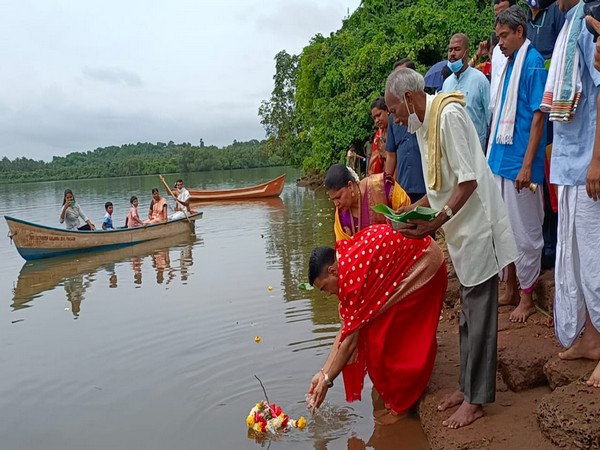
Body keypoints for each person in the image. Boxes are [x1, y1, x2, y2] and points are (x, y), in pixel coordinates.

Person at [384, 68, 517, 428]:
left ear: (410, 99)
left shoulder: (449, 116)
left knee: (481, 316)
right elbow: (441, 186)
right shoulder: (426, 124)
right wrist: (413, 209)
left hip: (477, 227)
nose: (396, 120)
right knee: (466, 315)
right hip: (461, 231)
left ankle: (476, 400)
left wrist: (434, 222)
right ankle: (465, 385)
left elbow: (468, 180)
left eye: (395, 111)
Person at [306, 224, 448, 420]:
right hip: (414, 258)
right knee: (375, 334)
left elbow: (350, 342)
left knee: (382, 341)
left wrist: (328, 380)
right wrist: (322, 373)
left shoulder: (352, 281)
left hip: (424, 264)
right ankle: (396, 398)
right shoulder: (345, 260)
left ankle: (402, 406)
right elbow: (346, 330)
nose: (328, 294)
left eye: (324, 288)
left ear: (332, 270)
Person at [542, 0, 600, 388]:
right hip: (568, 165)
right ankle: (591, 339)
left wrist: (597, 160)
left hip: (587, 165)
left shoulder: (589, 24)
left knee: (595, 262)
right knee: (574, 261)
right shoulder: (567, 23)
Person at [488, 6, 548, 322]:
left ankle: (526, 297)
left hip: (520, 166)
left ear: (520, 32)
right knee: (503, 229)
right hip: (501, 160)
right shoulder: (511, 63)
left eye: (504, 36)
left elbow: (539, 116)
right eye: (498, 37)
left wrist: (526, 166)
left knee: (524, 233)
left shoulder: (533, 63)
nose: (499, 43)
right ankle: (510, 289)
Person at [325, 164, 410, 241]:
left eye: (339, 197)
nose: (336, 204)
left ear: (350, 186)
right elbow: (342, 249)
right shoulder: (340, 216)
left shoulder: (381, 186)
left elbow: (408, 215)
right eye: (333, 200)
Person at [384, 58, 427, 204]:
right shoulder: (393, 117)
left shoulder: (429, 113)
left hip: (427, 184)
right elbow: (391, 155)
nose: (397, 119)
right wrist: (385, 186)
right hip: (403, 186)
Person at [442, 33, 491, 153]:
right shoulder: (446, 84)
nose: (452, 53)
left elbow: (491, 120)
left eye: (457, 49)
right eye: (450, 50)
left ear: (467, 52)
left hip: (476, 152)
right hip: (452, 152)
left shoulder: (480, 80)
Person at [490, 0, 518, 111]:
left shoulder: (521, 49)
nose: (499, 20)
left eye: (503, 14)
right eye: (497, 16)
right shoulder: (497, 50)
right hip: (496, 112)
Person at [368, 97, 388, 175]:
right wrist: (380, 156)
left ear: (387, 110)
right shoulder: (378, 135)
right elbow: (373, 166)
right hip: (381, 177)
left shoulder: (398, 129)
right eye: (374, 118)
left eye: (379, 115)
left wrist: (386, 154)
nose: (376, 120)